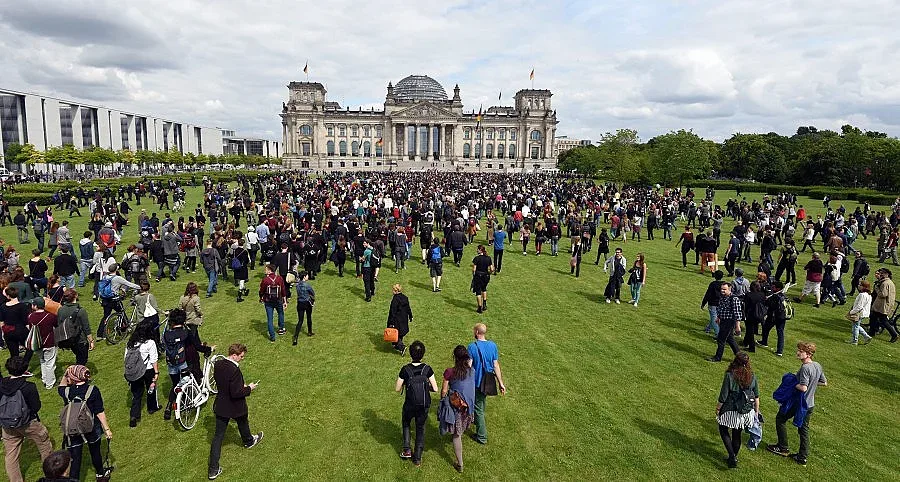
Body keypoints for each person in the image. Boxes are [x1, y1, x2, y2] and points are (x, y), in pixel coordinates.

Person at [767, 341, 827, 467]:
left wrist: (791, 383)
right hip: (810, 404)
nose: (798, 353)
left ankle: (782, 447)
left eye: (801, 351)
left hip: (799, 403)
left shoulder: (805, 368)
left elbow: (803, 387)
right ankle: (802, 457)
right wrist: (812, 384)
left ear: (809, 354)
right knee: (803, 430)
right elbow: (823, 382)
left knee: (780, 419)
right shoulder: (817, 365)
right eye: (798, 350)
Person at [208, 343, 262, 480]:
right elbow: (236, 393)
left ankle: (213, 469)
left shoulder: (218, 364)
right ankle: (249, 441)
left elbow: (222, 382)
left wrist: (238, 386)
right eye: (241, 356)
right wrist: (249, 388)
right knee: (242, 421)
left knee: (218, 436)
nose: (242, 359)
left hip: (221, 405)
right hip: (235, 406)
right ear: (234, 355)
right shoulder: (234, 370)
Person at [0, 356, 54, 482]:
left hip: (7, 425)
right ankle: (52, 476)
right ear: (24, 369)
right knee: (45, 445)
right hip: (28, 423)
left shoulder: (2, 385)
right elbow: (36, 406)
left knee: (11, 455)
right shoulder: (28, 386)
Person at [57, 365, 113, 480]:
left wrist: (66, 374)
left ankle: (74, 479)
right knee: (95, 452)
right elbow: (99, 411)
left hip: (73, 427)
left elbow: (61, 386)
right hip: (91, 426)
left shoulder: (67, 391)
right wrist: (107, 429)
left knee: (75, 457)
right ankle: (100, 474)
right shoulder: (93, 390)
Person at [162, 309, 214, 420]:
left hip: (171, 363)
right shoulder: (186, 332)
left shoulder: (167, 334)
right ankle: (189, 402)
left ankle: (168, 407)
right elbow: (197, 346)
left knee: (176, 384)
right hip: (186, 361)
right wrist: (209, 348)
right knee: (189, 381)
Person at [395, 340, 438, 467]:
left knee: (406, 423)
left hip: (409, 404)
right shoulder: (427, 369)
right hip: (423, 405)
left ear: (410, 353)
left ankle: (407, 449)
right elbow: (435, 388)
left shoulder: (405, 369)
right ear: (423, 354)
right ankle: (417, 458)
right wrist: (425, 388)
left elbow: (397, 389)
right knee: (420, 429)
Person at [714, 352, 759, 468]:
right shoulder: (752, 375)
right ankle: (733, 456)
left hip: (731, 409)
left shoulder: (730, 375)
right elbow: (756, 396)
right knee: (737, 433)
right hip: (746, 410)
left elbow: (724, 395)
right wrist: (756, 412)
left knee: (723, 429)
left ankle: (732, 456)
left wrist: (718, 408)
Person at [466, 323, 507, 445]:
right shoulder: (492, 345)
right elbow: (495, 365)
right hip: (488, 381)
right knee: (481, 402)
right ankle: (478, 422)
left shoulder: (472, 347)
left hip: (477, 382)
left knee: (478, 408)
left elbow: (469, 365)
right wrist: (501, 383)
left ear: (477, 332)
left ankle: (482, 436)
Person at [441, 345, 476, 473]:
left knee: (457, 435)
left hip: (457, 409)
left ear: (454, 357)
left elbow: (444, 391)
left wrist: (442, 401)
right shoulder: (472, 371)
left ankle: (460, 464)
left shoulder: (450, 372)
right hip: (468, 408)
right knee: (459, 432)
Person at [124, 322, 161, 427]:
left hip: (134, 372)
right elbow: (154, 359)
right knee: (151, 389)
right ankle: (152, 407)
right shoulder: (150, 343)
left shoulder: (130, 343)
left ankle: (134, 415)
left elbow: (126, 359)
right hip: (148, 370)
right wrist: (156, 372)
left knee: (136, 394)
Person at [706, 282, 744, 362]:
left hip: (729, 321)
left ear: (729, 289)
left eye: (724, 289)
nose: (722, 291)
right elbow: (720, 308)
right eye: (721, 289)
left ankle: (718, 357)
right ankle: (740, 356)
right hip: (723, 320)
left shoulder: (734, 299)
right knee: (730, 339)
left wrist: (737, 326)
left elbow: (737, 314)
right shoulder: (722, 297)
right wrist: (718, 317)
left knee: (721, 339)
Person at [27, 298, 58, 389]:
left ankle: (44, 379)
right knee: (50, 363)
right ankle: (50, 383)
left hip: (36, 344)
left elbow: (30, 328)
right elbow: (56, 325)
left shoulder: (30, 317)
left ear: (36, 306)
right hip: (49, 343)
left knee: (42, 361)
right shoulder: (50, 316)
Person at [759, 281, 788, 356]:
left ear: (778, 288)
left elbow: (767, 304)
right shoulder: (783, 296)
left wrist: (766, 299)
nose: (772, 288)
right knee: (780, 333)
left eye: (773, 287)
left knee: (765, 328)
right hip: (782, 316)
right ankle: (779, 351)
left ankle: (764, 342)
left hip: (773, 316)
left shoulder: (775, 296)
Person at [258, 264, 286, 342]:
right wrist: (285, 300)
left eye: (266, 269)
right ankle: (281, 329)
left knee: (270, 319)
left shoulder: (265, 280)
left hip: (268, 301)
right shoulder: (279, 278)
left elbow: (261, 291)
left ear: (270, 270)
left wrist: (261, 298)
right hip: (278, 300)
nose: (265, 270)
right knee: (281, 313)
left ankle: (272, 336)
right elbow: (283, 290)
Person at [869, 268, 898, 342]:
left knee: (883, 320)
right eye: (881, 273)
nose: (881, 274)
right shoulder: (889, 282)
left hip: (882, 305)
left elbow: (883, 294)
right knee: (873, 317)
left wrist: (877, 288)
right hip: (884, 304)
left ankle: (894, 335)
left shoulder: (885, 283)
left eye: (883, 273)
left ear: (887, 274)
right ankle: (872, 332)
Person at [1, 286, 30, 357]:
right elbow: (26, 321)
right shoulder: (23, 306)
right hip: (21, 331)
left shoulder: (2, 307)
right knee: (30, 348)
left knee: (14, 354)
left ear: (8, 296)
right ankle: (25, 363)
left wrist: (3, 333)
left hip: (8, 331)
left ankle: (17, 366)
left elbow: (1, 322)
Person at [387, 284, 413, 355]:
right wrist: (410, 316)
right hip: (404, 318)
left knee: (395, 335)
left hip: (397, 320)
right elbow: (408, 308)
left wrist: (391, 322)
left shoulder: (395, 299)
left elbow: (392, 311)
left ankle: (401, 347)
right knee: (400, 333)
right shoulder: (405, 297)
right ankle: (397, 345)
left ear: (396, 291)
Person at [742, 282, 767, 353]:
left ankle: (751, 347)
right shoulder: (762, 294)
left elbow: (746, 306)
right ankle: (745, 342)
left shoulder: (749, 295)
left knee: (750, 331)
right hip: (759, 315)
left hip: (751, 315)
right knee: (750, 330)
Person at [846, 280, 873, 345]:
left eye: (860, 285)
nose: (858, 286)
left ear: (864, 287)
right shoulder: (868, 295)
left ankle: (855, 340)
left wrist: (851, 312)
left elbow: (859, 306)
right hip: (864, 313)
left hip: (859, 313)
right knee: (857, 326)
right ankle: (866, 337)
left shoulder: (862, 295)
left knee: (855, 327)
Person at [292, 271, 315, 345]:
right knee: (309, 317)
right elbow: (312, 293)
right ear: (304, 277)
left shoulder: (297, 285)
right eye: (307, 275)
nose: (308, 276)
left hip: (300, 303)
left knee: (300, 321)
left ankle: (295, 337)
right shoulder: (307, 285)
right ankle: (310, 331)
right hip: (307, 303)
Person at [471, 245, 493, 313]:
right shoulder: (488, 258)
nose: (476, 250)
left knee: (478, 292)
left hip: (478, 276)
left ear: (480, 250)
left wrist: (473, 275)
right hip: (486, 276)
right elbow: (492, 269)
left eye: (477, 249)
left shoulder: (476, 258)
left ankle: (479, 307)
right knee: (484, 289)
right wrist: (489, 273)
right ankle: (484, 304)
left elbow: (474, 269)